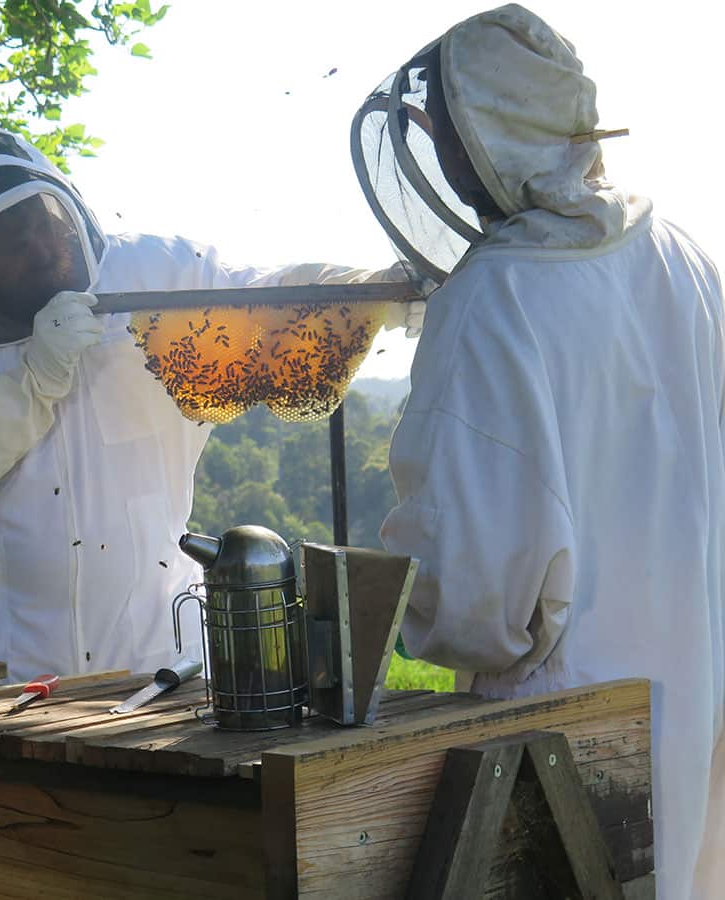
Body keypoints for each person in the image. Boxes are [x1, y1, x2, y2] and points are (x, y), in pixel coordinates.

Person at [361, 6, 724, 896]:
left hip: (563, 739)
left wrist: (400, 603)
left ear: (490, 129)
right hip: (700, 694)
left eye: (444, 126)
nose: (437, 150)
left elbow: (475, 599)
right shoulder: (687, 259)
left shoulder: (494, 298)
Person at [0, 123, 419, 683]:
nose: (39, 248)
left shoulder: (158, 270)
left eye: (38, 222)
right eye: (9, 243)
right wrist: (32, 384)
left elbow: (269, 299)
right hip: (9, 673)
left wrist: (369, 292)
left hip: (163, 662)